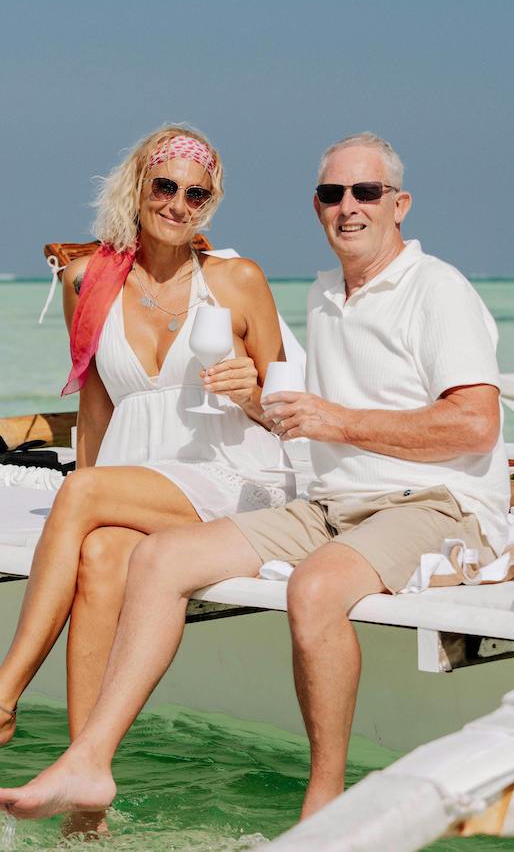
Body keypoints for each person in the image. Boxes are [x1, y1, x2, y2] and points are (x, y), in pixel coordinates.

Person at [0, 132, 509, 829]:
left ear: (400, 204)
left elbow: (476, 426)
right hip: (331, 503)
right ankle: (89, 767)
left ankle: (323, 805)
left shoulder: (435, 289)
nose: (348, 207)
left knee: (315, 585)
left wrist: (332, 421)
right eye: (333, 194)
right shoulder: (330, 296)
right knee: (145, 554)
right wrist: (263, 402)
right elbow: (284, 407)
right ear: (316, 205)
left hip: (429, 501)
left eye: (366, 193)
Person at [0, 124, 295, 826]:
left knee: (83, 489)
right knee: (99, 555)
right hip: (138, 477)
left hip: (229, 470)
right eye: (166, 186)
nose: (178, 203)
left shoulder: (237, 279)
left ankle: (6, 690)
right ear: (139, 187)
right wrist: (86, 511)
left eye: (197, 194)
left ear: (210, 204)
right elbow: (97, 407)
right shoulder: (87, 281)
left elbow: (286, 411)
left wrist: (248, 392)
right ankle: (84, 794)